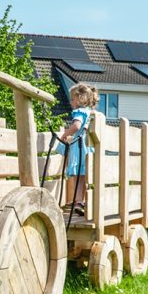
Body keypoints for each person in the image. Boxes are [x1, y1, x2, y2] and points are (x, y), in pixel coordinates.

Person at [57, 82, 98, 216]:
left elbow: (76, 126)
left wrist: (64, 135)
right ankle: (82, 202)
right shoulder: (90, 113)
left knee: (77, 177)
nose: (70, 101)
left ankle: (79, 201)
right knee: (84, 177)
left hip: (79, 147)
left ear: (80, 99)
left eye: (73, 99)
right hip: (87, 148)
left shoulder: (79, 112)